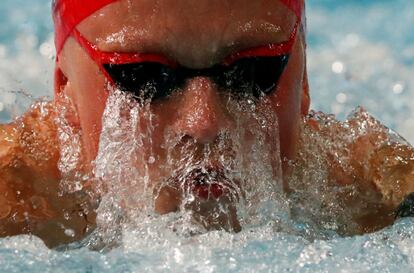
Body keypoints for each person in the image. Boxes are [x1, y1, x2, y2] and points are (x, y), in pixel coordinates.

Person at [0, 0, 413, 248]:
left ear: (303, 82)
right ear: (65, 91)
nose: (205, 123)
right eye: (144, 77)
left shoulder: (370, 191)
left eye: (254, 71)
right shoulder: (16, 203)